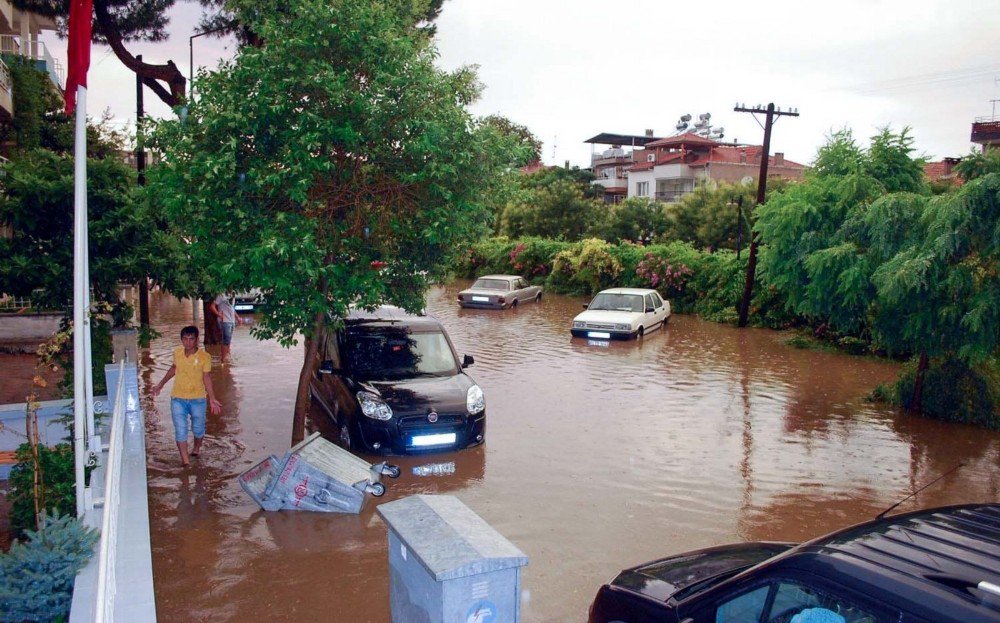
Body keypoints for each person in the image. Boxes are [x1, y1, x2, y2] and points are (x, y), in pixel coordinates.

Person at [151, 325, 222, 466]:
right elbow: (173, 369)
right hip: (178, 398)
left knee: (198, 428)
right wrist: (160, 385)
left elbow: (206, 377)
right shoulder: (177, 353)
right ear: (181, 340)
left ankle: (196, 448)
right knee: (180, 429)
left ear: (196, 340)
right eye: (185, 339)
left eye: (191, 339)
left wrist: (212, 398)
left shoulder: (204, 357)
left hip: (198, 399)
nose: (188, 342)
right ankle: (186, 462)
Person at [208, 292, 237, 363]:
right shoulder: (221, 295)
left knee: (228, 341)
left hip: (232, 321)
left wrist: (238, 317)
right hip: (224, 321)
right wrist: (218, 314)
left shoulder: (233, 293)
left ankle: (227, 357)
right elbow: (212, 306)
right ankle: (223, 360)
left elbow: (232, 308)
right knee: (225, 341)